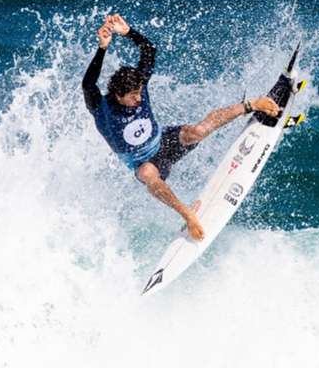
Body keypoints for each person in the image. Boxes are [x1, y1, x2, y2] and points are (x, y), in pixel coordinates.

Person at [82, 14, 280, 241]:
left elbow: (148, 50)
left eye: (139, 92)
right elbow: (88, 84)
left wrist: (128, 33)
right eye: (133, 96)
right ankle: (188, 215)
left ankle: (252, 104)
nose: (139, 98)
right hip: (144, 164)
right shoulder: (101, 109)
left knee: (196, 132)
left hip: (163, 141)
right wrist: (102, 48)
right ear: (118, 95)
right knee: (147, 173)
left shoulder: (139, 85)